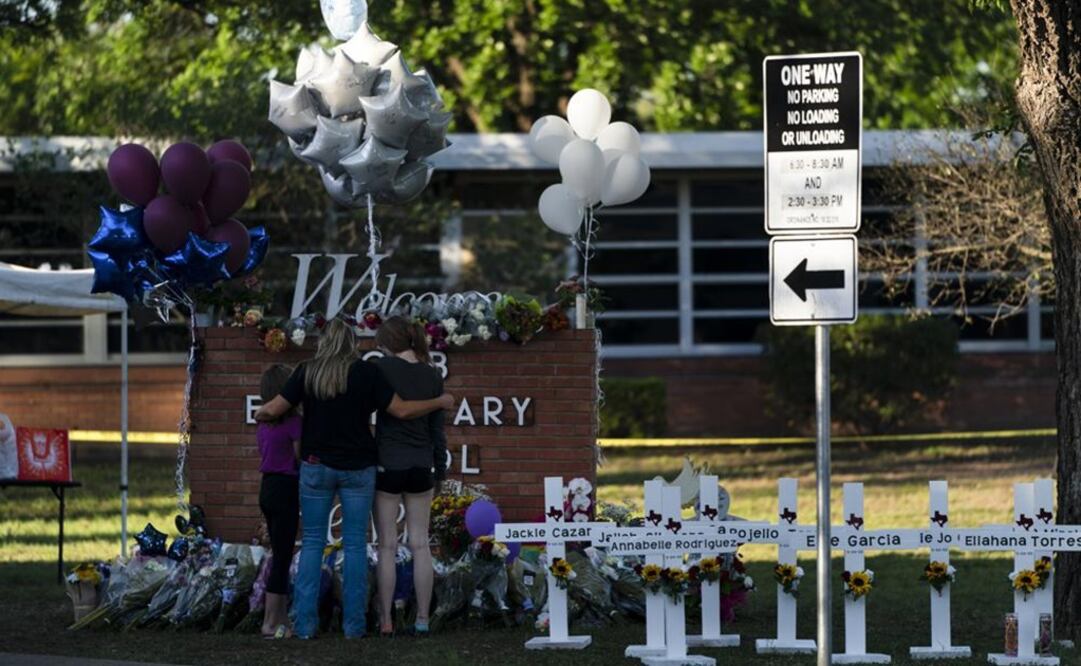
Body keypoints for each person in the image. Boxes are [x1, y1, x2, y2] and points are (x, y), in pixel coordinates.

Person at [254, 318, 454, 639]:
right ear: (352, 342)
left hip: (316, 466)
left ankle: (304, 626)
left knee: (313, 543)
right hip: (358, 468)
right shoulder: (366, 372)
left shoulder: (307, 371)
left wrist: (262, 414)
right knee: (356, 545)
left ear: (323, 342)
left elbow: (274, 408)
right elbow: (401, 411)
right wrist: (439, 402)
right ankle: (354, 627)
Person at [371, 316, 447, 637]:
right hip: (421, 465)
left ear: (388, 342)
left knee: (387, 545)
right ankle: (423, 618)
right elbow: (437, 431)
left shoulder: (381, 369)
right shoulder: (432, 374)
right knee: (420, 544)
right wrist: (440, 470)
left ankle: (386, 619)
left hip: (388, 463)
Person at [255, 364, 301, 639]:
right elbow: (299, 456)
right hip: (286, 488)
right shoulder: (295, 423)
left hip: (267, 488)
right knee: (283, 557)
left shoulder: (263, 423)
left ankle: (281, 619)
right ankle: (270, 623)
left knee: (279, 553)